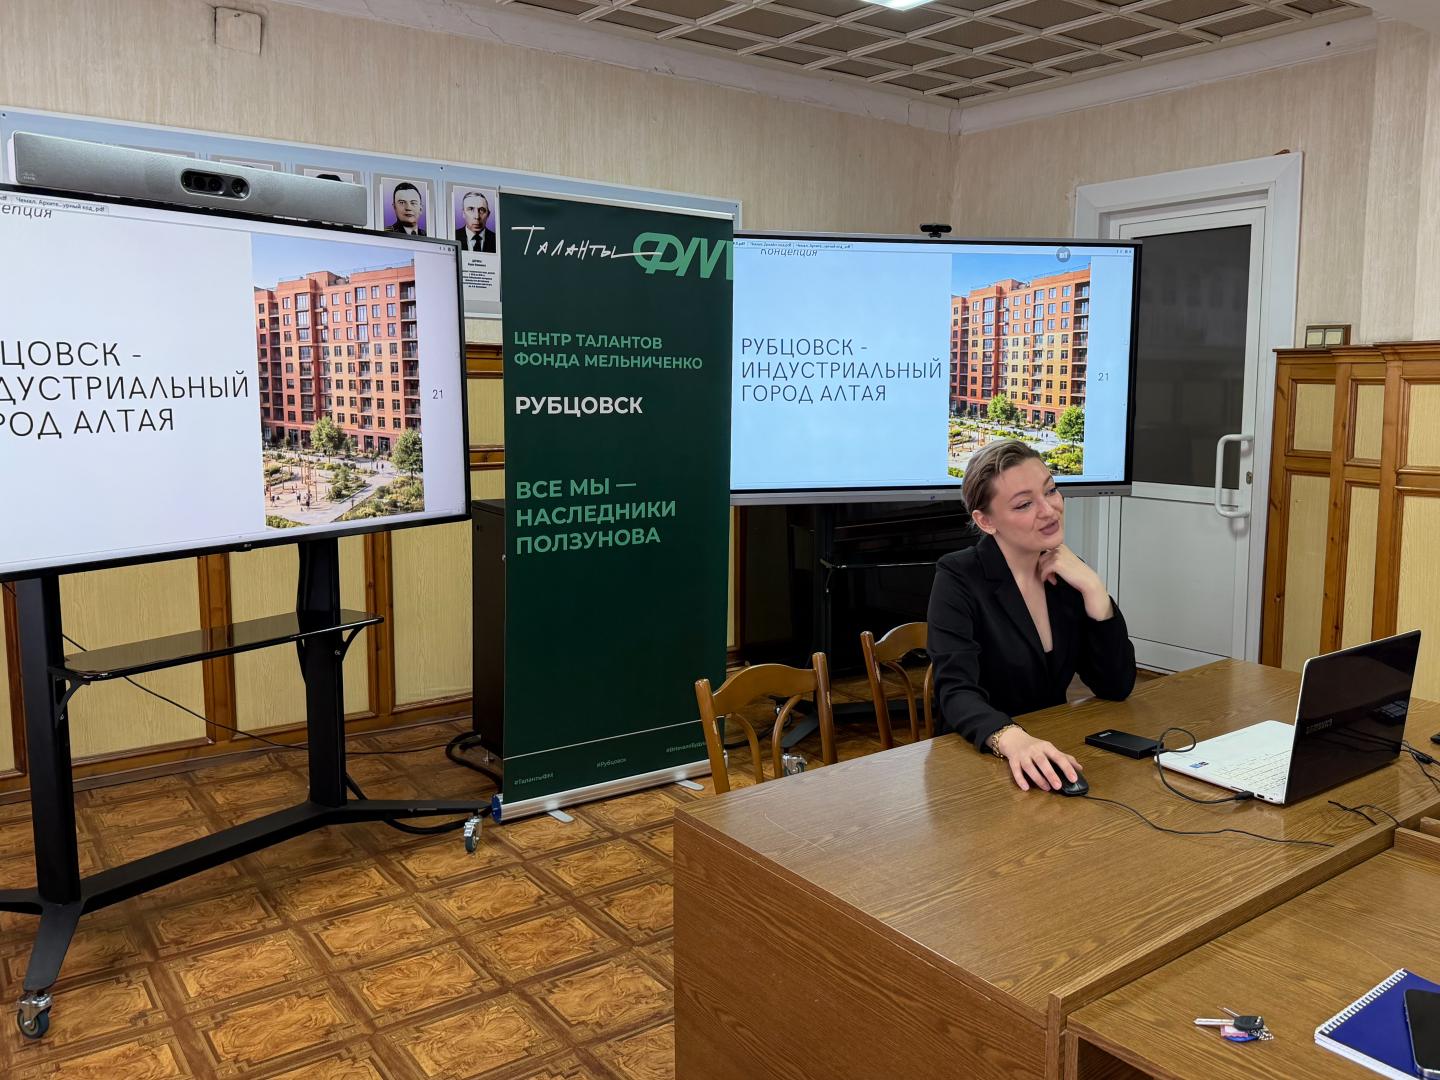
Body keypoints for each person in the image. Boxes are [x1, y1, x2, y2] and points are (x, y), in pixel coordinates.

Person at [927, 439, 1136, 792]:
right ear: (985, 521)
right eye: (1025, 504)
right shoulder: (958, 577)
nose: (1049, 510)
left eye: (1050, 491)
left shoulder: (1067, 572)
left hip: (1053, 747)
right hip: (976, 762)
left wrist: (1094, 589)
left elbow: (1115, 686)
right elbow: (955, 691)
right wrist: (1013, 739)